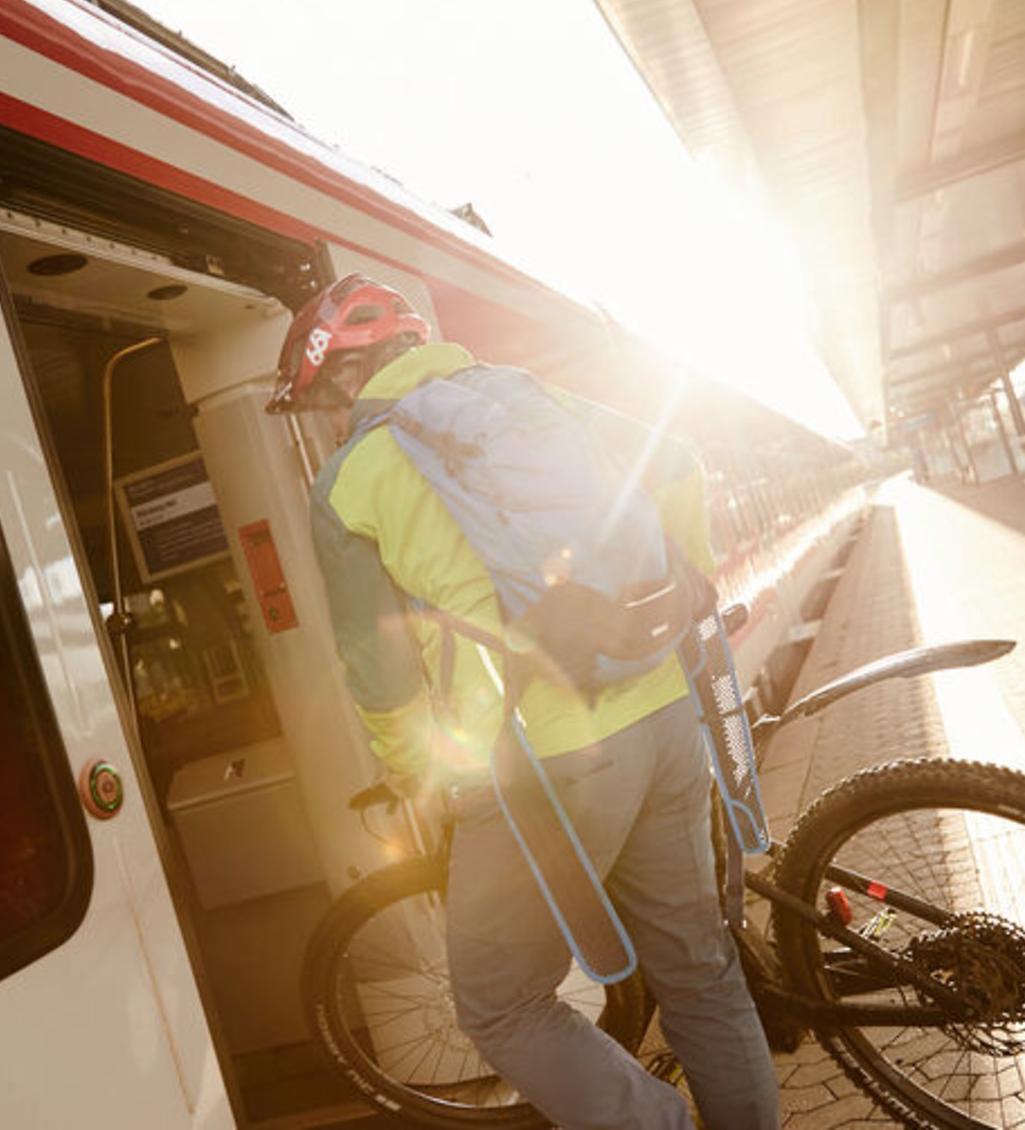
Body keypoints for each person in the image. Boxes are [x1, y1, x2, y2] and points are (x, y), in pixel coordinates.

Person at [268, 275, 780, 1130]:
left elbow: (378, 670)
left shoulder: (349, 482)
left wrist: (416, 773)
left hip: (543, 762)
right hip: (662, 713)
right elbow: (680, 463)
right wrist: (679, 596)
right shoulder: (531, 398)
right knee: (700, 966)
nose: (328, 420)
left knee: (501, 1003)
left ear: (344, 381)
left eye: (324, 400)